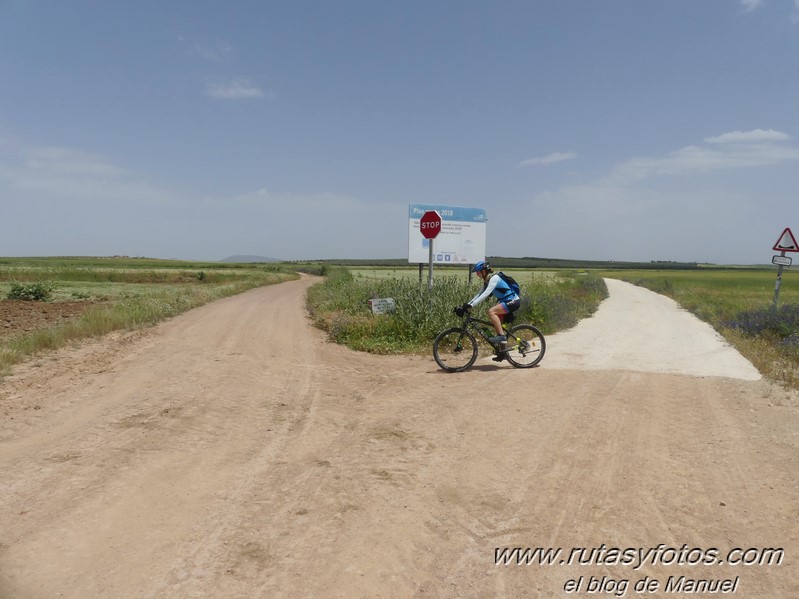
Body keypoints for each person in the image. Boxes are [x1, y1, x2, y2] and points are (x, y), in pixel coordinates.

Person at [457, 261, 521, 347]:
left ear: (484, 271)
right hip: (505, 302)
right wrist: (466, 305)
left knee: (491, 312)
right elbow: (479, 295)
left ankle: (502, 337)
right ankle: (502, 352)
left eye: (478, 272)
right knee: (498, 327)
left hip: (513, 301)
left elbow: (486, 294)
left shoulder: (495, 278)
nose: (477, 274)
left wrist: (472, 305)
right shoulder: (487, 281)